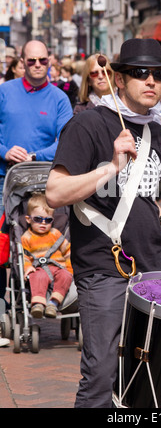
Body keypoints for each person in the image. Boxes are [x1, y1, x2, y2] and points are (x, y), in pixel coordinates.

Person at [46, 38, 161, 408]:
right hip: (104, 266)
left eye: (158, 74)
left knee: (148, 372)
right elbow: (55, 193)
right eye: (140, 73)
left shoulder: (155, 130)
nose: (151, 81)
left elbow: (137, 194)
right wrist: (110, 166)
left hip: (153, 264)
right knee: (101, 375)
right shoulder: (88, 125)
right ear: (118, 77)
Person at [0, 40, 73, 314]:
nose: (38, 65)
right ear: (22, 62)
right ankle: (2, 305)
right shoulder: (4, 92)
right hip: (5, 180)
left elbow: (66, 139)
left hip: (46, 180)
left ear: (50, 61)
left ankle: (51, 293)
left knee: (52, 237)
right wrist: (7, 151)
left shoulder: (59, 98)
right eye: (32, 61)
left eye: (43, 60)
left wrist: (36, 155)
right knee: (2, 247)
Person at [21, 193, 73, 319]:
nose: (43, 223)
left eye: (48, 220)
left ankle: (53, 303)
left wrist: (69, 269)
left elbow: (67, 251)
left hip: (58, 267)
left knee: (66, 276)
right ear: (28, 219)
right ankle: (38, 304)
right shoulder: (27, 237)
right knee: (37, 276)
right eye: (38, 219)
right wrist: (27, 267)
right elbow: (24, 256)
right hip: (39, 268)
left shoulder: (55, 234)